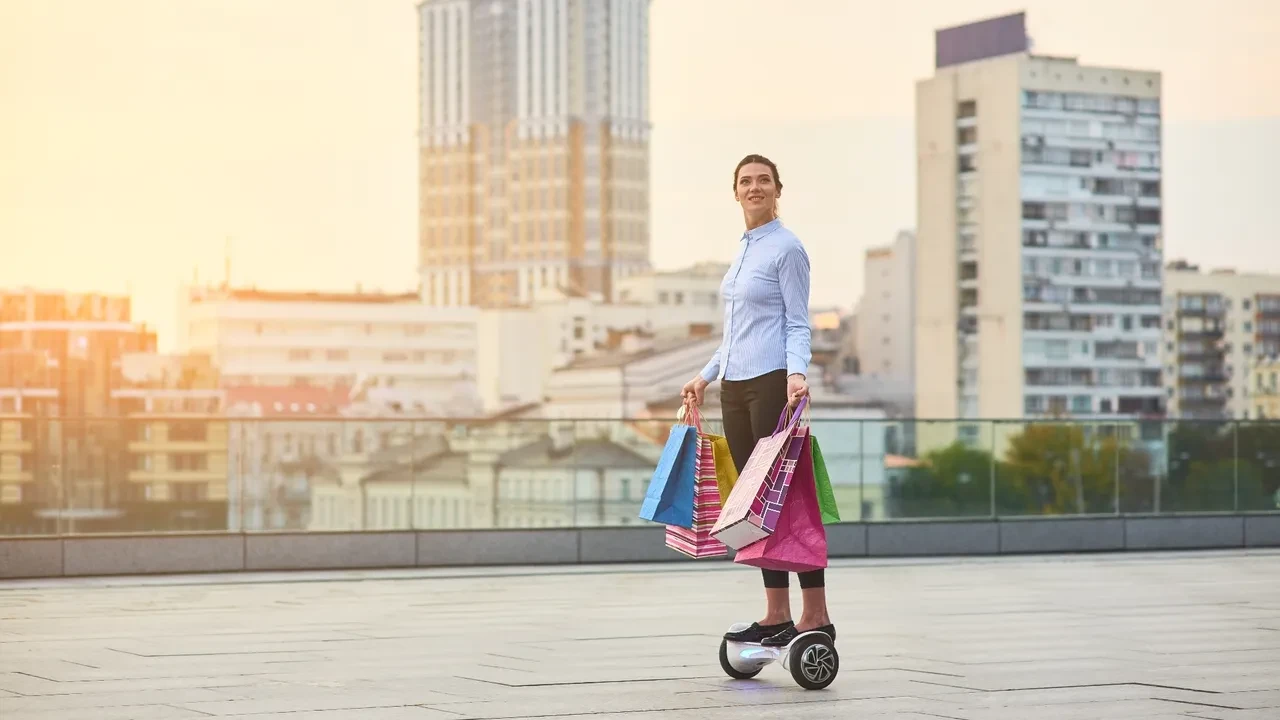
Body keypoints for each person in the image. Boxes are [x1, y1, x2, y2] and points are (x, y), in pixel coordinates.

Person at [682, 153, 835, 648]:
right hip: (734, 387)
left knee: (787, 498)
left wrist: (796, 375)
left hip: (771, 381)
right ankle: (775, 614)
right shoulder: (744, 250)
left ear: (777, 189)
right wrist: (705, 377)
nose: (754, 188)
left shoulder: (787, 249)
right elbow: (735, 334)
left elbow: (796, 322)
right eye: (746, 181)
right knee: (753, 505)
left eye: (763, 181)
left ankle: (815, 613)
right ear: (735, 192)